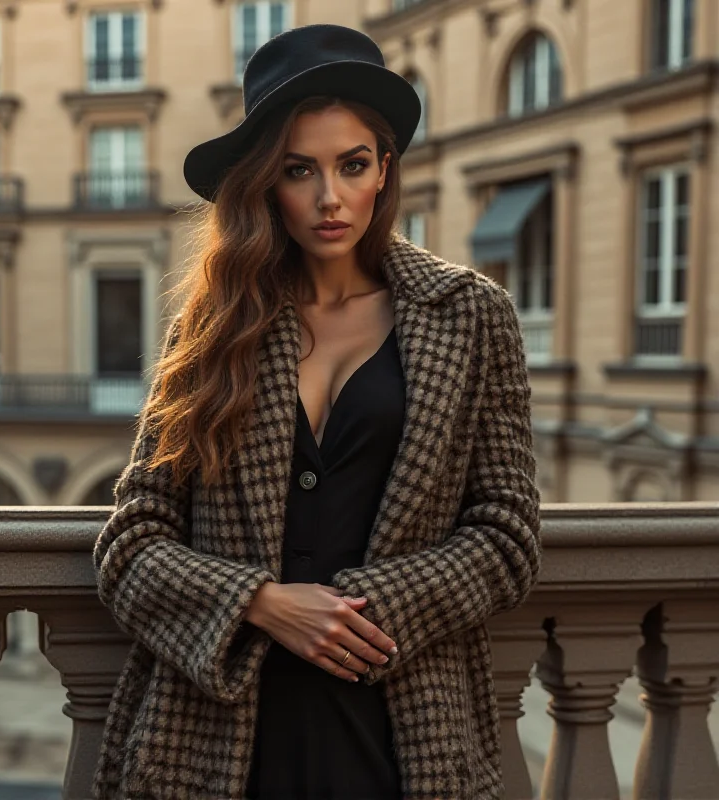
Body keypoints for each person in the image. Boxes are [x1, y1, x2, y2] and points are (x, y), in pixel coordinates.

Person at [91, 23, 542, 800]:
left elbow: (506, 533)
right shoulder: (211, 326)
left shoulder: (470, 316)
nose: (330, 198)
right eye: (300, 170)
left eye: (352, 164)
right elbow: (130, 543)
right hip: (217, 735)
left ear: (384, 168)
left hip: (403, 730)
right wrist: (261, 604)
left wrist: (365, 612)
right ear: (266, 182)